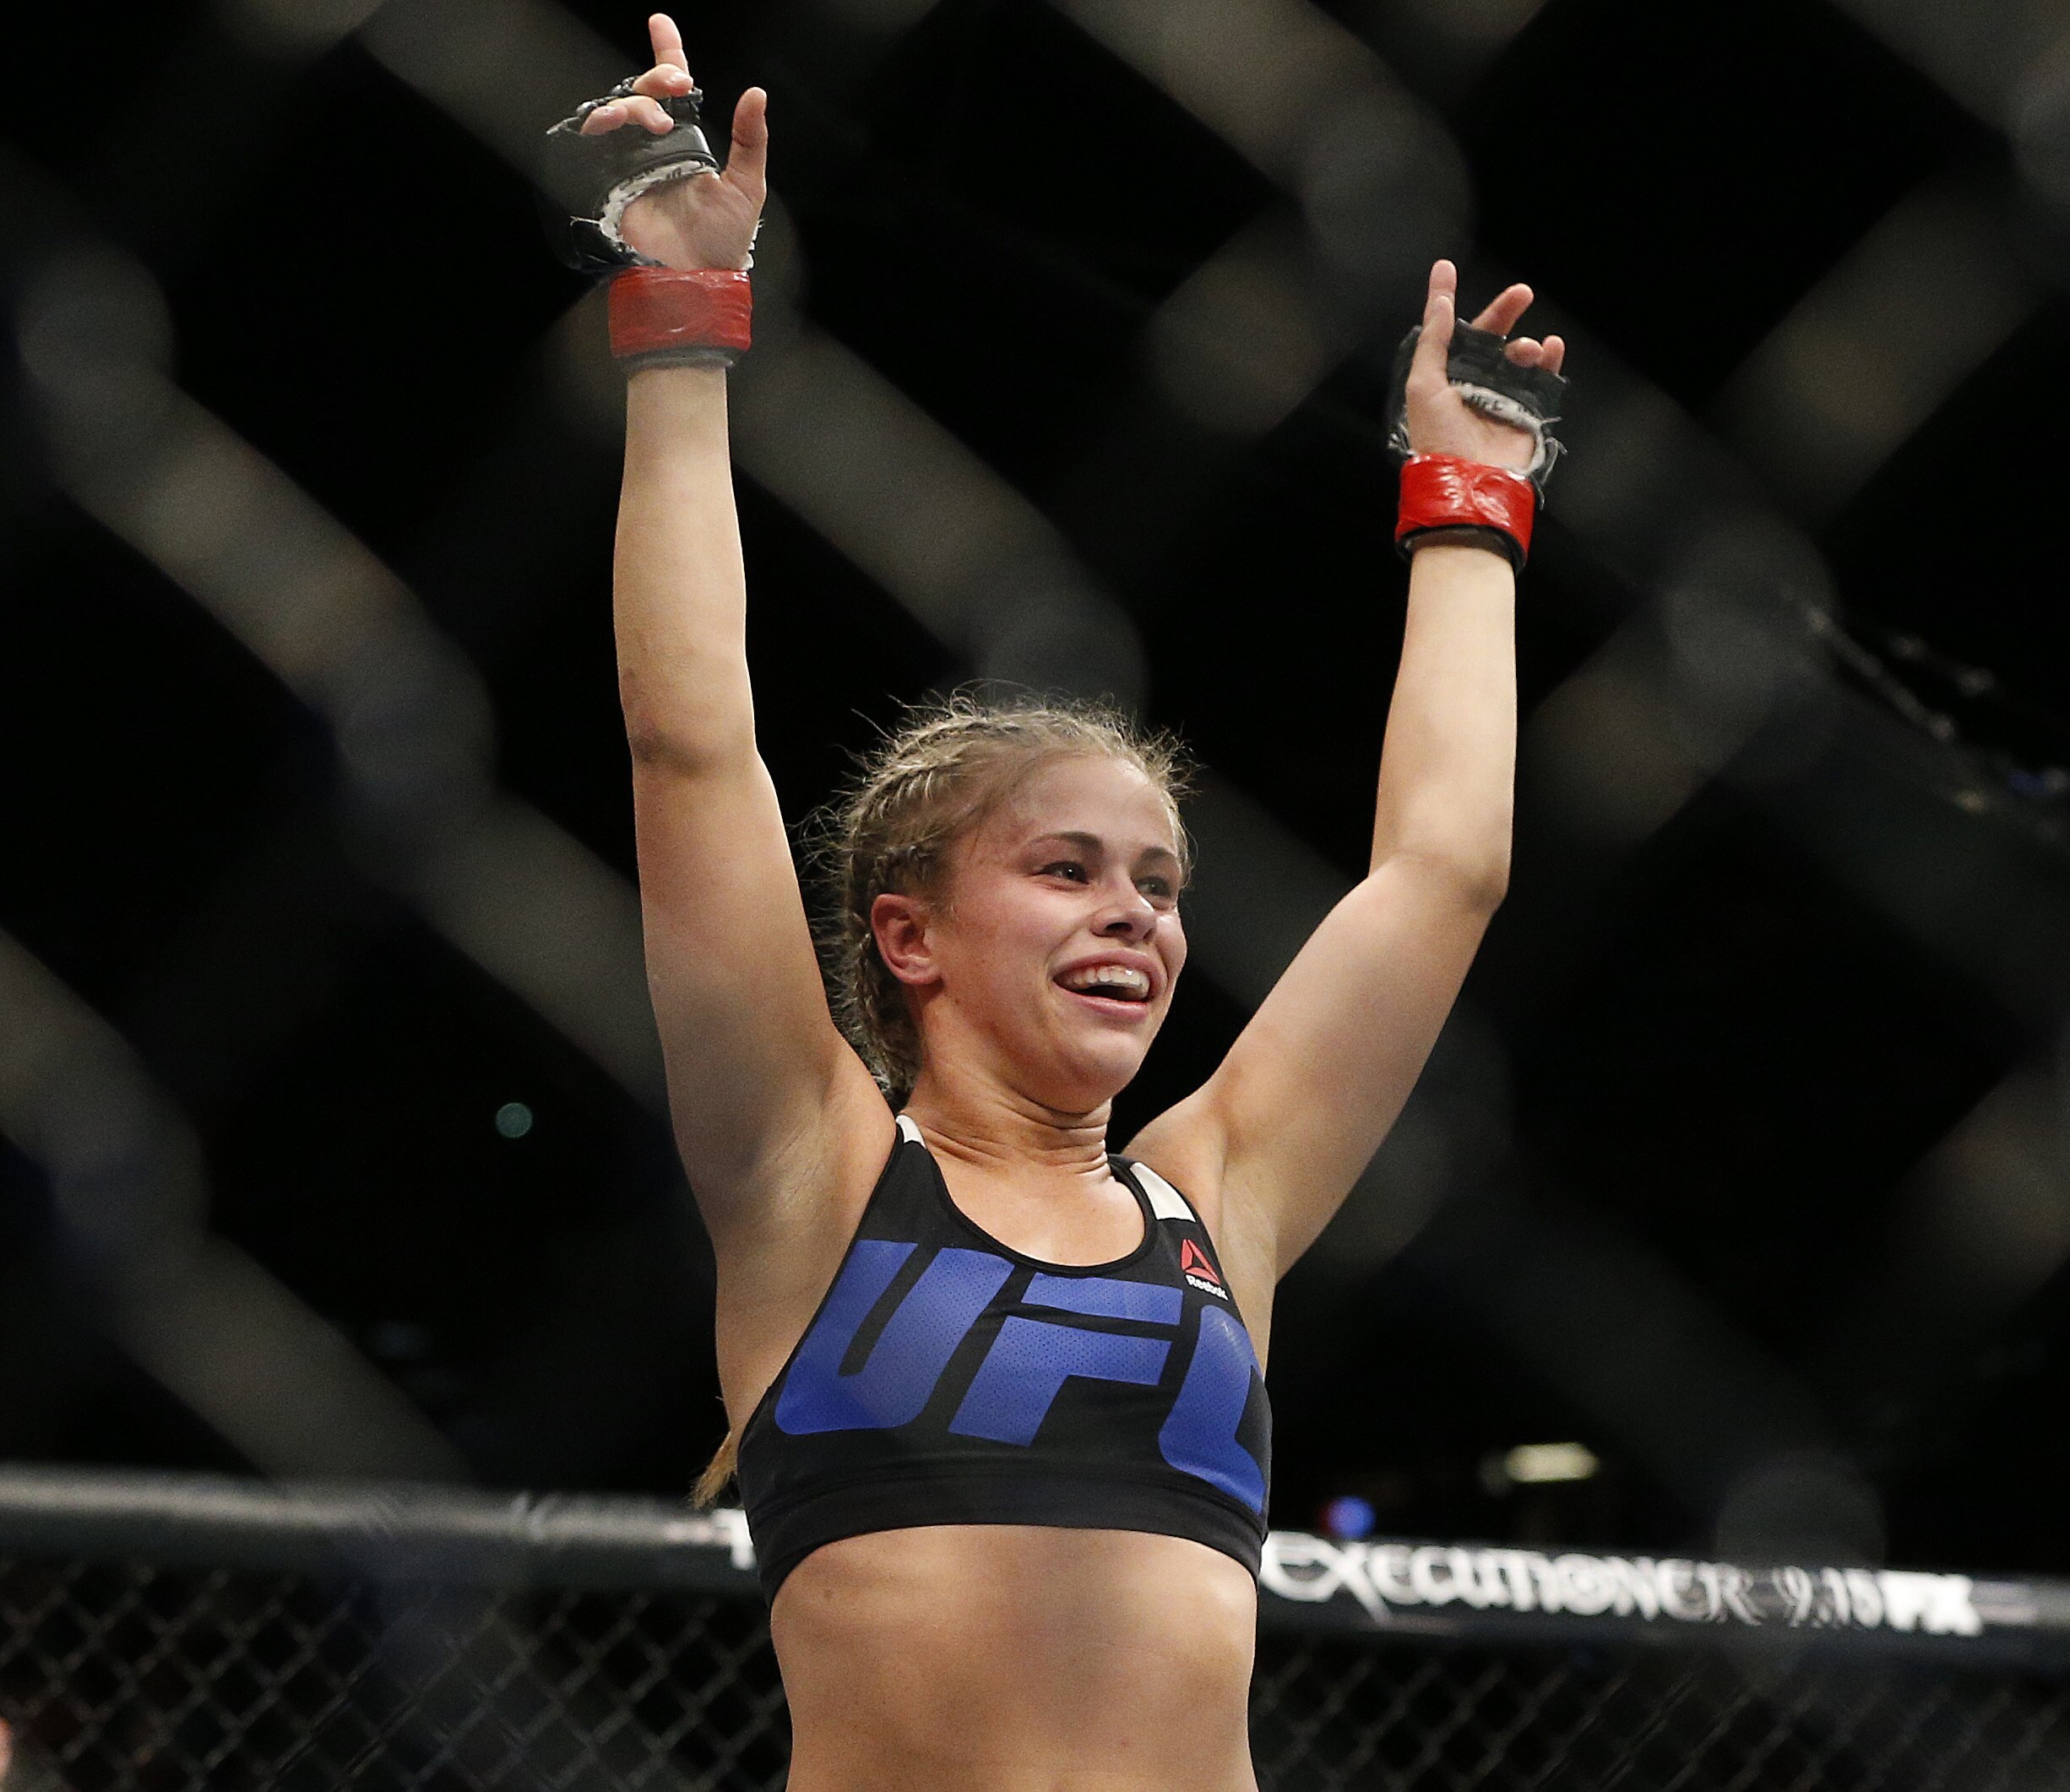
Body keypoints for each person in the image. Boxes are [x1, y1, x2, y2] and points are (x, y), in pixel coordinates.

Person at [575, 14, 1565, 1787]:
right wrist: (678, 325)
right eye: (1068, 869)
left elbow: (1445, 872)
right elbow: (690, 752)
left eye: (1162, 883)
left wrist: (1470, 504)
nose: (1139, 917)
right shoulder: (814, 1174)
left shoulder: (1220, 1198)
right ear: (909, 935)